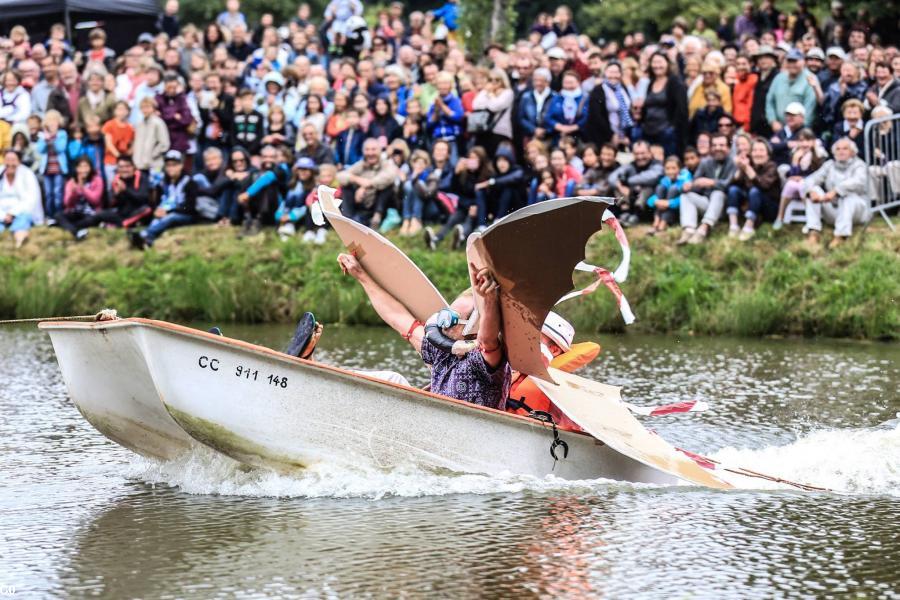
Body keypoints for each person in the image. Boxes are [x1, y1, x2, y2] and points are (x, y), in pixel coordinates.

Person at [337, 252, 511, 410]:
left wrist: (489, 299)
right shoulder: (441, 351)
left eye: (454, 318)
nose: (444, 323)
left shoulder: (482, 360)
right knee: (391, 379)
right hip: (435, 428)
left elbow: (488, 341)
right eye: (448, 312)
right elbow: (397, 317)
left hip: (471, 435)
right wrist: (360, 275)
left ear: (473, 328)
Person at [802, 137, 870, 249]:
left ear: (852, 152)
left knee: (848, 197)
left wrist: (836, 191)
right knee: (814, 190)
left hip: (857, 211)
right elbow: (810, 179)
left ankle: (841, 235)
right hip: (834, 209)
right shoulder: (830, 165)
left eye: (845, 148)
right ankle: (813, 231)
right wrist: (811, 191)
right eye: (838, 149)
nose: (841, 151)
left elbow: (858, 182)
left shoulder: (860, 165)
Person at [129, 150, 197, 249]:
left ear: (181, 166)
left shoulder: (189, 182)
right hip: (164, 213)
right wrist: (157, 210)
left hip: (184, 214)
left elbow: (190, 207)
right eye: (168, 165)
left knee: (171, 217)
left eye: (174, 165)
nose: (171, 168)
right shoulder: (162, 183)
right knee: (156, 220)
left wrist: (169, 211)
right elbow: (156, 203)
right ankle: (147, 241)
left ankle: (144, 234)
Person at [678, 133, 736, 245]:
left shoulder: (733, 162)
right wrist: (689, 186)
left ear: (728, 148)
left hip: (725, 206)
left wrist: (711, 182)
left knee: (718, 193)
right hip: (707, 204)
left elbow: (729, 184)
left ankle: (704, 228)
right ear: (710, 148)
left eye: (721, 145)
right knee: (686, 196)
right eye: (714, 145)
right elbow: (696, 183)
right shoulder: (705, 162)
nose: (718, 148)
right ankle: (689, 229)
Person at [725, 139, 781, 240]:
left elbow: (763, 186)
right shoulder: (749, 164)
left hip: (769, 208)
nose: (757, 154)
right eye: (754, 150)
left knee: (755, 191)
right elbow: (730, 186)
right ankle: (733, 226)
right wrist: (740, 168)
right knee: (733, 190)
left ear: (768, 154)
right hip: (751, 205)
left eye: (761, 150)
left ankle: (748, 227)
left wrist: (747, 168)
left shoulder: (772, 166)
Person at [336, 137, 397, 228]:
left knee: (388, 186)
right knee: (346, 186)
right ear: (363, 152)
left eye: (373, 149)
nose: (370, 153)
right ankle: (348, 220)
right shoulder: (360, 165)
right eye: (367, 150)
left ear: (380, 151)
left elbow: (390, 176)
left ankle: (377, 217)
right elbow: (340, 176)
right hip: (363, 204)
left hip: (382, 205)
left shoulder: (386, 164)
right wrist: (357, 179)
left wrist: (367, 185)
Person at [773, 128, 823, 229]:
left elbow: (818, 174)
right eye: (801, 141)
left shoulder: (818, 155)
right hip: (796, 185)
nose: (804, 144)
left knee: (802, 185)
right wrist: (795, 161)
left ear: (813, 142)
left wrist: (802, 178)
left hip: (812, 186)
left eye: (808, 141)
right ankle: (780, 217)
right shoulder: (795, 154)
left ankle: (811, 219)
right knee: (790, 184)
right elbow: (792, 174)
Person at [608, 140, 664, 226]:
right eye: (637, 154)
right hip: (632, 199)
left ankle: (636, 216)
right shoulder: (630, 165)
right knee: (618, 185)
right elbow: (612, 178)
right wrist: (620, 186)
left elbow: (652, 177)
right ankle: (625, 213)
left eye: (643, 153)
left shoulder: (657, 164)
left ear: (649, 153)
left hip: (649, 202)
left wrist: (628, 181)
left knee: (647, 187)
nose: (640, 156)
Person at [54, 156, 104, 241]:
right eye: (80, 167)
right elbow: (67, 203)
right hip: (75, 212)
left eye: (85, 166)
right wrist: (73, 193)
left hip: (91, 213)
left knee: (93, 219)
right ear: (76, 169)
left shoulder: (97, 180)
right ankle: (76, 232)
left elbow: (95, 201)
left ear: (90, 168)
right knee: (58, 215)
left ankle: (66, 226)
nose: (83, 170)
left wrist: (82, 188)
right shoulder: (71, 182)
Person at [0, 149, 42, 248]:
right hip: (2, 212)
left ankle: (18, 243)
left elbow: (31, 199)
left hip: (21, 212)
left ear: (19, 161)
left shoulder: (27, 174)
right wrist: (3, 215)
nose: (10, 163)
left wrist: (12, 213)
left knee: (23, 219)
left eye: (13, 160)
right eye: (7, 160)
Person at [35, 109, 69, 218]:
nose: (52, 122)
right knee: (48, 193)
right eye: (49, 120)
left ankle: (59, 215)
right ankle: (50, 216)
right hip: (47, 169)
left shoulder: (62, 134)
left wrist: (52, 138)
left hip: (58, 169)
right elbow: (40, 150)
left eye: (54, 120)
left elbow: (60, 148)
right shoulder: (42, 135)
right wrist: (46, 139)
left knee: (57, 193)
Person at [646, 156, 690, 236]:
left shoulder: (685, 180)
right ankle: (656, 222)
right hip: (664, 207)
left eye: (674, 168)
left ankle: (663, 224)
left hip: (676, 211)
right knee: (660, 188)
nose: (670, 171)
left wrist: (669, 203)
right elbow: (650, 201)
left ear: (679, 169)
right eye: (667, 168)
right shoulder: (664, 180)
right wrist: (656, 202)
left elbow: (684, 199)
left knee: (673, 189)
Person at [133, 96, 171, 175]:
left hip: (154, 164)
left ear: (153, 108)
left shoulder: (158, 123)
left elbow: (164, 143)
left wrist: (153, 154)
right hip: (140, 164)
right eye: (143, 107)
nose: (145, 110)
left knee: (155, 185)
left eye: (148, 107)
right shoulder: (139, 124)